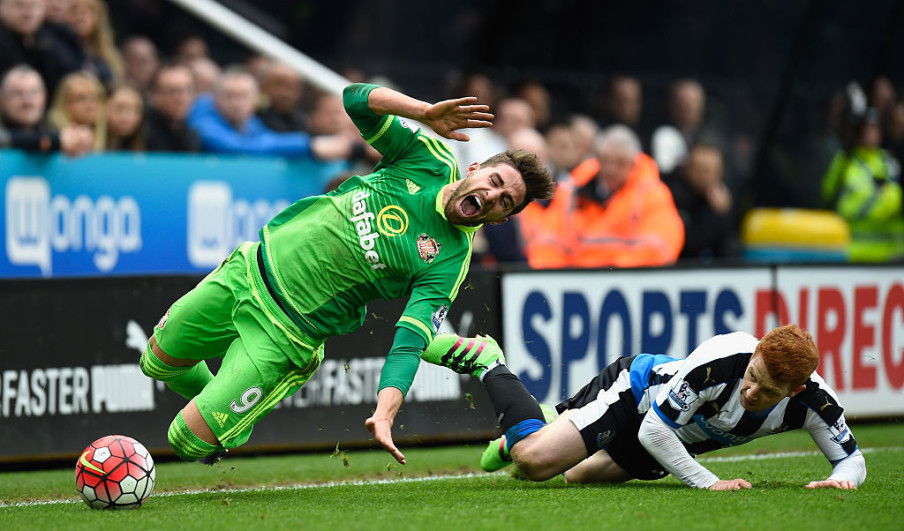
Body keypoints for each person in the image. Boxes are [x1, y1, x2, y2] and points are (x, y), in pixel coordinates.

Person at [139, 82, 555, 464]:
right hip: (246, 271)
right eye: (495, 181)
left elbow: (410, 343)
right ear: (474, 169)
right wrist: (424, 112)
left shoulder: (449, 260)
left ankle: (227, 416)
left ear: (502, 219)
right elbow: (354, 99)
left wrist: (385, 412)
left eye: (505, 201)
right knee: (156, 362)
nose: (492, 195)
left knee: (185, 442)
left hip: (288, 332)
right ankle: (227, 410)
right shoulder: (428, 158)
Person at [421, 324, 866, 490]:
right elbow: (654, 429)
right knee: (535, 462)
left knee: (569, 475)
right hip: (636, 396)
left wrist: (841, 481)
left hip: (669, 440)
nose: (751, 392)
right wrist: (710, 484)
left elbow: (852, 460)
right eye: (752, 377)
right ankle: (489, 362)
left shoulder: (814, 401)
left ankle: (545, 420)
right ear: (753, 356)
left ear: (793, 391)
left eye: (766, 391)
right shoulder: (722, 359)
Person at [524, 125, 684, 268]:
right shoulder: (571, 190)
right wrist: (556, 276)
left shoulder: (652, 194)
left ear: (633, 163)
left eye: (620, 162)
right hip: (574, 284)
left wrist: (610, 274)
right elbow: (547, 241)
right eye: (606, 161)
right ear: (598, 158)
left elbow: (658, 247)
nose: (611, 169)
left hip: (627, 284)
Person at [187, 67, 353, 160]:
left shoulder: (251, 123)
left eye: (243, 96)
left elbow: (267, 140)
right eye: (230, 96)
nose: (236, 104)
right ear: (216, 99)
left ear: (255, 100)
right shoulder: (202, 119)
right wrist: (309, 146)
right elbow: (239, 147)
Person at [822, 96, 903, 262]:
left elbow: (896, 197)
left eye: (874, 128)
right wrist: (889, 198)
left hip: (893, 256)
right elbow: (846, 206)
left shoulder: (889, 160)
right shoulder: (846, 162)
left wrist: (886, 196)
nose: (871, 133)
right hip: (856, 255)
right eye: (866, 128)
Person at [0, 63, 92, 154]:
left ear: (44, 98)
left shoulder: (54, 129)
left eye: (34, 92)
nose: (27, 101)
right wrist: (57, 141)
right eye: (17, 93)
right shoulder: (56, 138)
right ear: (2, 100)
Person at [665, 144, 735, 260]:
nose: (708, 177)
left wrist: (725, 214)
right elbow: (691, 244)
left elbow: (726, 247)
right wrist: (717, 215)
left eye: (714, 171)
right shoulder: (674, 195)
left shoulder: (719, 196)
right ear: (689, 170)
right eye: (703, 171)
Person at [0, 0, 83, 94]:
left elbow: (73, 75)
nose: (27, 13)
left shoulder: (60, 36)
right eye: (19, 5)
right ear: (2, 8)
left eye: (33, 6)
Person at [143, 62, 200, 152]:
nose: (181, 99)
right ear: (154, 96)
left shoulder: (193, 134)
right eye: (172, 91)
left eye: (187, 90)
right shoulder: (140, 135)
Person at [65, 0, 122, 88]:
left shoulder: (108, 54)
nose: (80, 17)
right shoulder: (58, 47)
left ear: (98, 17)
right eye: (74, 10)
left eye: (88, 11)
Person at [47, 70, 104, 150]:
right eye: (81, 98)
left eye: (94, 98)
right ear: (64, 103)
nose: (90, 105)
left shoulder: (107, 135)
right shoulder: (51, 134)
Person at [104, 84, 144, 151]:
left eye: (134, 109)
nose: (126, 117)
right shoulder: (87, 141)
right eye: (120, 108)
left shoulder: (147, 143)